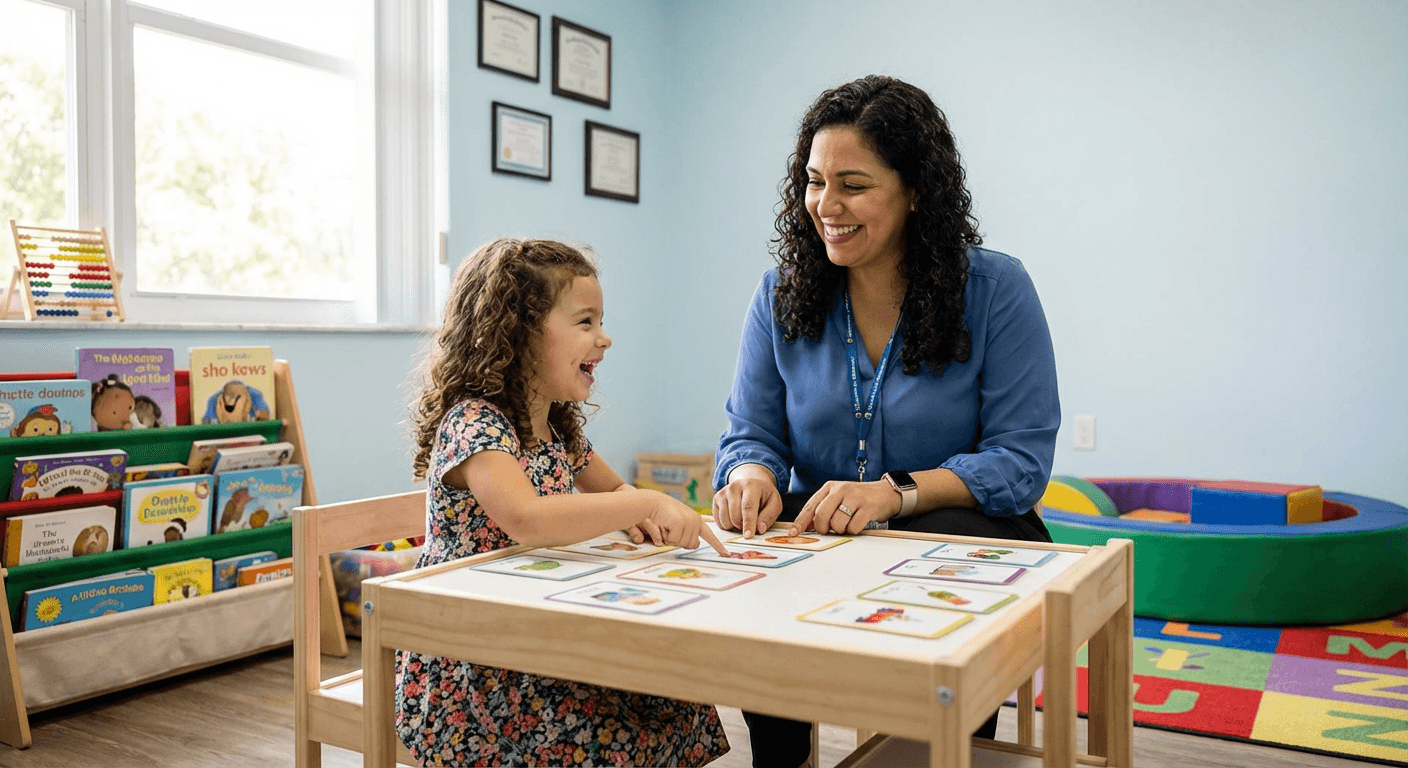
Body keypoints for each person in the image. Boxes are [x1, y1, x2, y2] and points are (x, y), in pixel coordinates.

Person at [713, 75, 1060, 767]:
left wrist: (896, 492)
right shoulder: (778, 295)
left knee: (949, 544)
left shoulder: (996, 290)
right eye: (814, 182)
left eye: (853, 184)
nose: (826, 206)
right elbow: (750, 432)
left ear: (915, 191)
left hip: (965, 530)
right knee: (762, 543)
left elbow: (1021, 463)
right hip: (828, 529)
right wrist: (749, 472)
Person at [398, 237, 731, 767]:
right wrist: (644, 504)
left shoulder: (555, 427)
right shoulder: (475, 423)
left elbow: (615, 491)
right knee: (603, 734)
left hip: (536, 628)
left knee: (674, 697)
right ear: (520, 332)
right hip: (473, 655)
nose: (605, 339)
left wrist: (643, 511)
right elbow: (529, 519)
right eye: (586, 323)